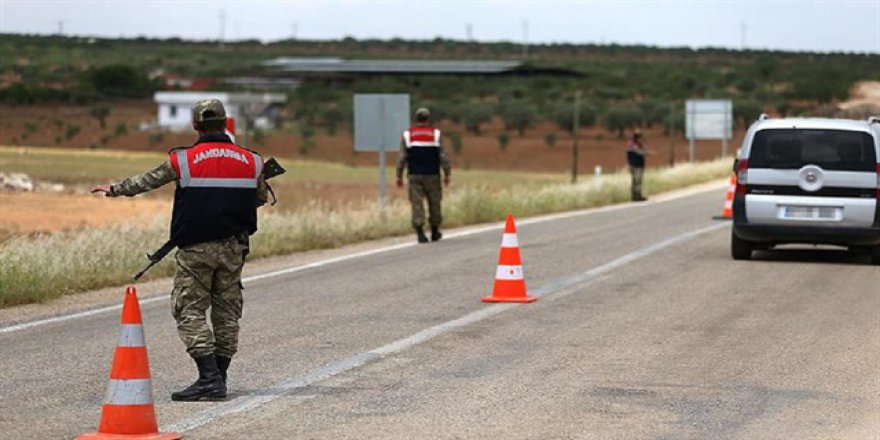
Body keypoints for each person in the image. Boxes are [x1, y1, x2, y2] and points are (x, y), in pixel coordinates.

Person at [91, 99, 269, 401]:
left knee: (189, 309)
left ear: (196, 125)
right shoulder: (252, 161)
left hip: (196, 248)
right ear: (225, 123)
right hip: (234, 248)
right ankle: (219, 377)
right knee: (227, 312)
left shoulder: (183, 160)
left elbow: (147, 180)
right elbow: (260, 198)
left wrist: (116, 189)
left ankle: (210, 378)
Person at [396, 107, 452, 243]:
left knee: (416, 203)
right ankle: (434, 231)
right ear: (428, 118)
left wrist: (399, 175)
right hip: (432, 174)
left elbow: (402, 157)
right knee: (435, 202)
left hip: (414, 174)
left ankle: (420, 233)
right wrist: (447, 173)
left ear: (416, 119)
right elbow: (443, 156)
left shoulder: (407, 135)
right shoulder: (436, 134)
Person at [626, 130, 648, 201]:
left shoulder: (631, 144)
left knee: (634, 181)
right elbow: (640, 153)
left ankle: (634, 196)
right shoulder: (634, 145)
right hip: (637, 165)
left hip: (633, 165)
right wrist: (647, 152)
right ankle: (638, 197)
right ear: (637, 137)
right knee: (637, 181)